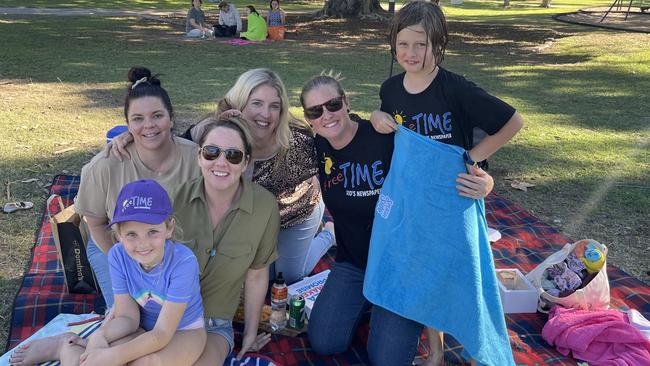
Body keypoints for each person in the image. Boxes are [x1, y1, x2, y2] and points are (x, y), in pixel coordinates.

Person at [300, 73, 503, 365]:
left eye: (332, 104)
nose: (326, 115)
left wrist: (484, 179)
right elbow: (268, 138)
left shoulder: (384, 135)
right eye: (315, 111)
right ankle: (369, 304)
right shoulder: (316, 148)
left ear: (346, 102)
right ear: (308, 119)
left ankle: (403, 309)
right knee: (324, 341)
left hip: (403, 266)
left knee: (387, 360)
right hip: (354, 261)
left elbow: (438, 158)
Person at [369, 2, 524, 364]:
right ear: (393, 42)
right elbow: (390, 125)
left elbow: (512, 122)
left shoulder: (455, 88)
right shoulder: (391, 89)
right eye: (403, 44)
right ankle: (436, 353)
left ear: (438, 44)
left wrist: (473, 158)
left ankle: (479, 341)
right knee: (423, 272)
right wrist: (377, 116)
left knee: (460, 274)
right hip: (412, 201)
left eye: (420, 45)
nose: (410, 53)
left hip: (453, 199)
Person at [111, 69, 335, 285]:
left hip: (295, 214)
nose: (265, 114)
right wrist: (130, 136)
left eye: (274, 106)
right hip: (249, 219)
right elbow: (169, 142)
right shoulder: (215, 130)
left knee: (288, 277)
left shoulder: (300, 142)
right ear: (240, 103)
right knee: (250, 276)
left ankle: (327, 234)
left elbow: (339, 147)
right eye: (256, 103)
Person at [11, 180, 206, 366]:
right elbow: (128, 316)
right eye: (131, 234)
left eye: (152, 232)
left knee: (143, 363)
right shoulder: (118, 255)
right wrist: (100, 336)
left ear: (169, 228)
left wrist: (114, 355)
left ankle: (70, 348)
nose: (143, 244)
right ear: (119, 235)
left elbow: (162, 333)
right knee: (98, 359)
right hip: (140, 327)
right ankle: (65, 347)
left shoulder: (183, 263)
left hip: (185, 332)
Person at [76, 67, 201, 310]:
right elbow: (96, 224)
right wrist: (131, 266)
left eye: (157, 116)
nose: (149, 126)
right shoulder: (105, 166)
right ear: (127, 125)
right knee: (128, 318)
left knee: (181, 317)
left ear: (172, 118)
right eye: (138, 119)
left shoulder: (196, 160)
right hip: (116, 247)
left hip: (175, 251)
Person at [170, 117, 280, 365]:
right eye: (211, 152)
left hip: (214, 326)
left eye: (233, 155)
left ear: (246, 162)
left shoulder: (264, 207)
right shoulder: (173, 199)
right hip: (164, 315)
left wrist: (250, 333)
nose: (221, 162)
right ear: (199, 157)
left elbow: (257, 274)